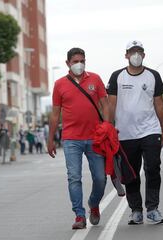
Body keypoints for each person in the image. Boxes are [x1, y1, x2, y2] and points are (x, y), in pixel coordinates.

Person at [47, 47, 109, 230]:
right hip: (71, 139)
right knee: (74, 177)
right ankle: (79, 215)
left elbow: (105, 105)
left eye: (82, 60)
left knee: (100, 178)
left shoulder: (95, 79)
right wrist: (50, 139)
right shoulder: (59, 84)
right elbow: (55, 114)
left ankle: (94, 203)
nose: (79, 64)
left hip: (95, 137)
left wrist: (108, 127)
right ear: (68, 63)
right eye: (75, 61)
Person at [107, 40, 163, 225]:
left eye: (139, 51)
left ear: (144, 55)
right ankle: (136, 210)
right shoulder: (117, 76)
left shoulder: (153, 75)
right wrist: (108, 129)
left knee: (153, 167)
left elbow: (159, 103)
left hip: (150, 130)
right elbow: (110, 104)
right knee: (131, 172)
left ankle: (153, 209)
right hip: (125, 133)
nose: (136, 55)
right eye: (132, 52)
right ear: (126, 55)